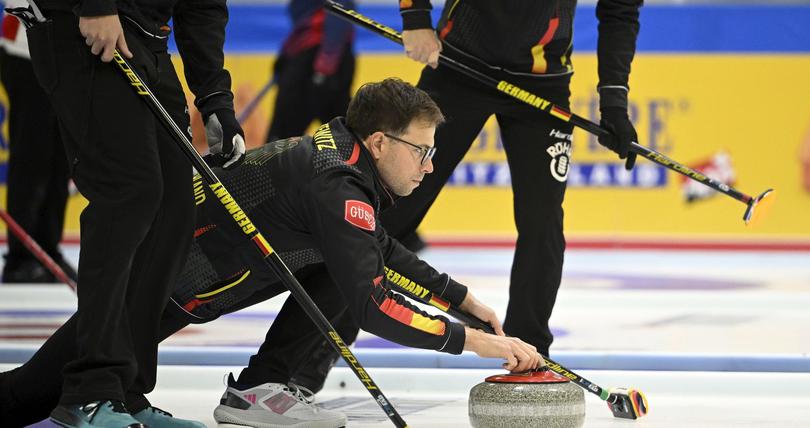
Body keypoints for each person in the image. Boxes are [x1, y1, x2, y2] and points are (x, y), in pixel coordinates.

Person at [0, 78, 544, 428]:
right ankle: (261, 388)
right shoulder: (337, 187)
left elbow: (374, 247)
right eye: (422, 151)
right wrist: (475, 344)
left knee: (349, 266)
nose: (429, 166)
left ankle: (265, 387)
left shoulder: (343, 165)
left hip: (176, 282)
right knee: (25, 397)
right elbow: (374, 305)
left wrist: (463, 299)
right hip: (156, 284)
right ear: (380, 143)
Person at [10, 0, 245, 424]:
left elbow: (204, 5)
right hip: (84, 25)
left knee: (175, 208)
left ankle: (126, 392)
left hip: (149, 38)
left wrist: (214, 96)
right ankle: (91, 389)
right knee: (130, 193)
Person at [384, 0, 642, 356]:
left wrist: (614, 100)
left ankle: (528, 352)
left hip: (541, 82)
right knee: (394, 207)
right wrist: (415, 19)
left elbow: (620, 8)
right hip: (458, 63)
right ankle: (308, 353)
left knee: (543, 222)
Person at [0, 0, 77, 284]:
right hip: (25, 50)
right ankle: (21, 257)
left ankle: (47, 249)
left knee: (61, 156)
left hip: (67, 55)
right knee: (32, 154)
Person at [267, 0, 356, 142]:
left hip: (320, 56)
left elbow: (339, 10)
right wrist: (287, 55)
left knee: (281, 143)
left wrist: (327, 60)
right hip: (313, 52)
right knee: (343, 138)